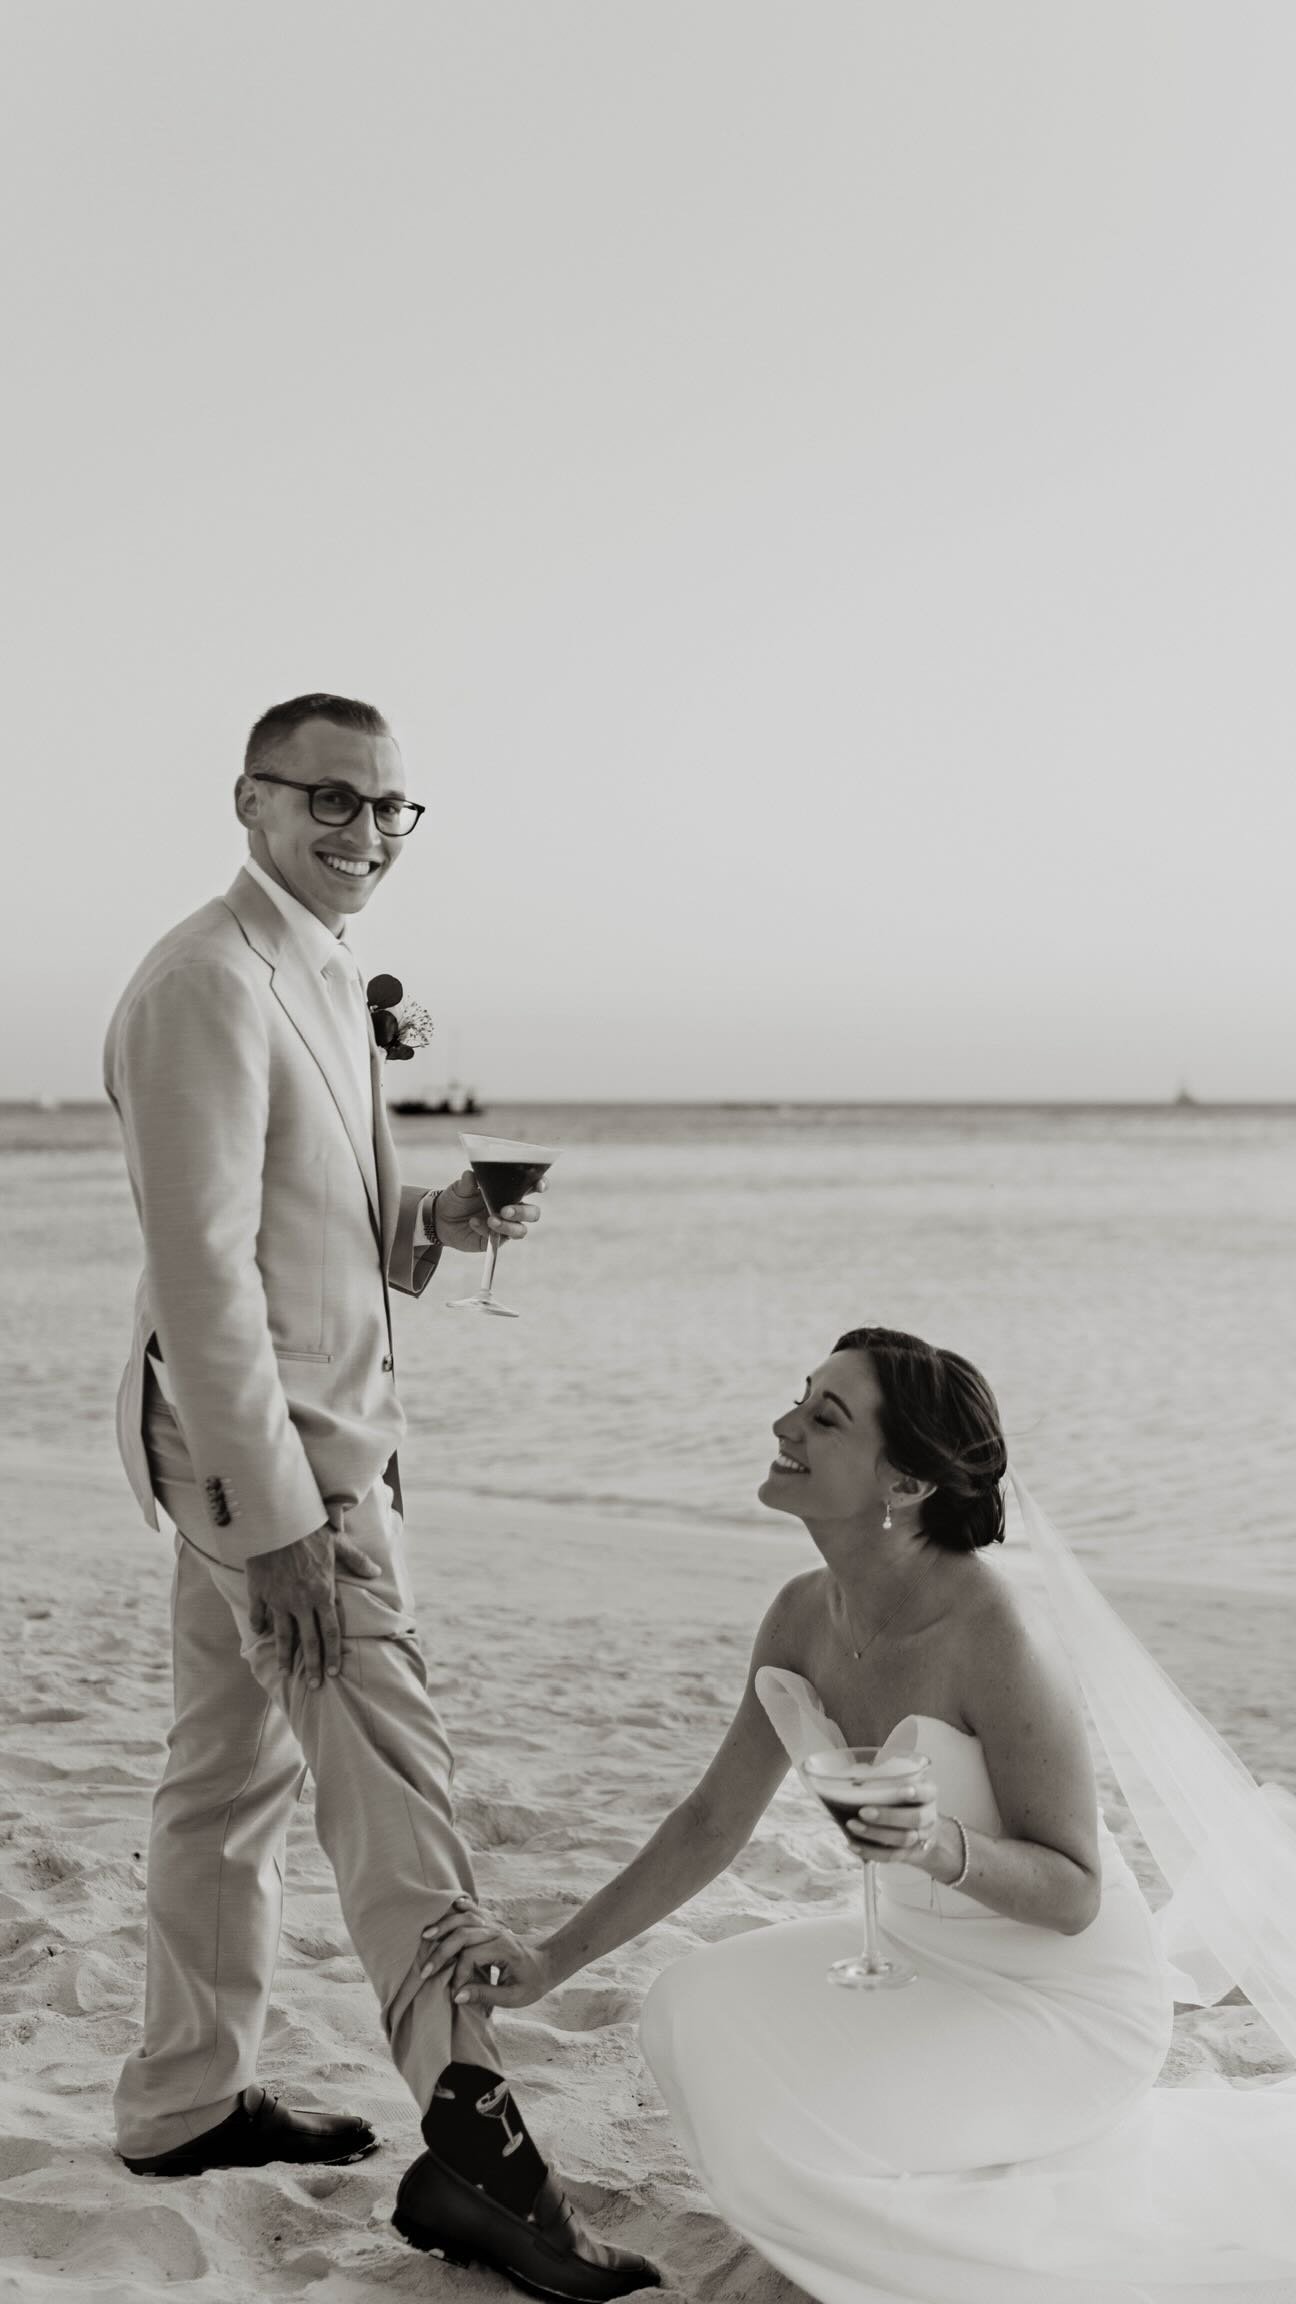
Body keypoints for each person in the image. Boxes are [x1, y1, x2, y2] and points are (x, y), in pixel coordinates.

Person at [105, 693, 658, 2301]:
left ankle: (183, 2103)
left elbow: (305, 1224)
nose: (365, 833)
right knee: (396, 1790)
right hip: (274, 1462)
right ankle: (478, 2155)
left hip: (285, 1439)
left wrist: (437, 1225)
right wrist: (276, 1516)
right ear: (252, 801)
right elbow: (202, 1274)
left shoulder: (318, 973)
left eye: (389, 807)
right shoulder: (207, 983)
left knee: (226, 1782)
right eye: (330, 801)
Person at [422, 1326, 1296, 2303]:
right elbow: (713, 1820)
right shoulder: (802, 1614)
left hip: (1067, 1999)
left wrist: (936, 1844)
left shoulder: (997, 1636)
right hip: (918, 1956)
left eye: (824, 1417)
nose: (783, 1424)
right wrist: (550, 1961)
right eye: (801, 1398)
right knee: (687, 2011)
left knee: (795, 2139)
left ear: (907, 1483)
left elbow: (1075, 1894)